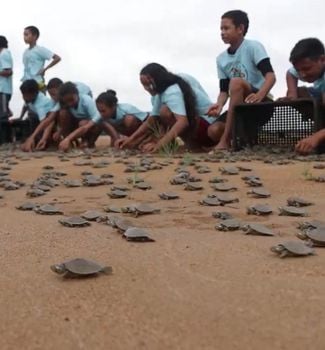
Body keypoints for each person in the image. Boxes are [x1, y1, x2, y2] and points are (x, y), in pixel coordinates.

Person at [207, 10, 276, 150]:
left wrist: (259, 95)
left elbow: (271, 77)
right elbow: (224, 91)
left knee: (236, 82)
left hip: (260, 103)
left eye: (226, 28)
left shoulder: (253, 47)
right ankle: (245, 138)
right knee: (213, 131)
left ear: (240, 29)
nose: (222, 32)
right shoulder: (221, 59)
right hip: (239, 106)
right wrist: (219, 104)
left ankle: (225, 141)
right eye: (221, 29)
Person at [117, 63, 222, 153]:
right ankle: (190, 146)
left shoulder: (172, 91)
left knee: (165, 111)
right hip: (198, 126)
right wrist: (130, 140)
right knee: (161, 114)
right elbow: (152, 120)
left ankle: (193, 145)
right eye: (144, 85)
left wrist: (159, 145)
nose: (147, 89)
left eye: (148, 84)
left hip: (208, 129)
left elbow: (182, 122)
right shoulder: (160, 93)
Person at [21, 78, 92, 151]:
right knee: (63, 112)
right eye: (50, 95)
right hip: (73, 112)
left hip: (85, 109)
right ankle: (68, 141)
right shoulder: (57, 101)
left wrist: (60, 132)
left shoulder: (81, 96)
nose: (52, 98)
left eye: (53, 94)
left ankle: (85, 140)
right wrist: (35, 137)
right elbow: (49, 120)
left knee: (79, 120)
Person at [286, 38, 325, 154]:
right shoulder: (302, 68)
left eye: (307, 69)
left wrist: (316, 137)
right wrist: (292, 94)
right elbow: (290, 73)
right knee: (300, 92)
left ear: (322, 60)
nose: (302, 74)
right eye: (299, 70)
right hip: (318, 92)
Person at [56, 82, 104, 151]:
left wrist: (68, 139)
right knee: (63, 113)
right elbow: (51, 116)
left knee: (83, 123)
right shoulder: (64, 103)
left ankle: (87, 142)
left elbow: (86, 126)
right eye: (67, 101)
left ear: (77, 94)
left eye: (71, 100)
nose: (69, 103)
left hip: (90, 126)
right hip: (76, 126)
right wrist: (59, 132)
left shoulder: (86, 100)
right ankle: (69, 144)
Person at [22, 26, 61, 90]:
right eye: (24, 35)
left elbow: (57, 58)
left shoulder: (40, 49)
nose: (24, 37)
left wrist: (45, 69)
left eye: (26, 34)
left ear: (34, 36)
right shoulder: (25, 52)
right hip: (27, 83)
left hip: (38, 83)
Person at [0, 35, 13, 121]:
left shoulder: (4, 53)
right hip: (2, 90)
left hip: (3, 90)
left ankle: (5, 134)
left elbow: (8, 72)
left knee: (3, 116)